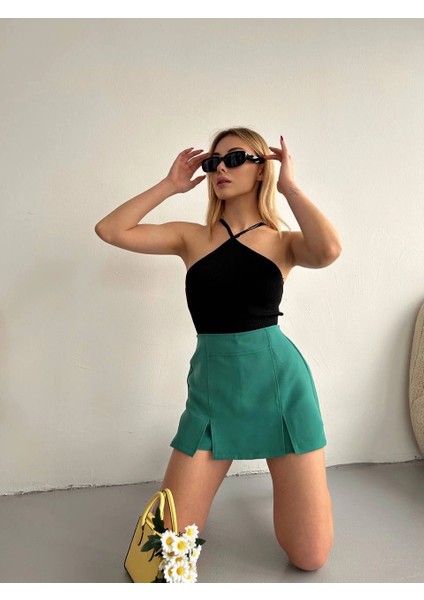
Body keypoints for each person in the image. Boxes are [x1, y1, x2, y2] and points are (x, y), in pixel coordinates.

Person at [95, 127, 342, 572]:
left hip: (281, 388)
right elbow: (110, 230)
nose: (220, 168)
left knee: (310, 557)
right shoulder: (192, 237)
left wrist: (289, 187)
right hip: (212, 393)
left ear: (262, 168)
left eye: (235, 158)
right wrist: (170, 185)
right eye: (213, 162)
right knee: (162, 559)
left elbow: (328, 250)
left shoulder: (281, 240)